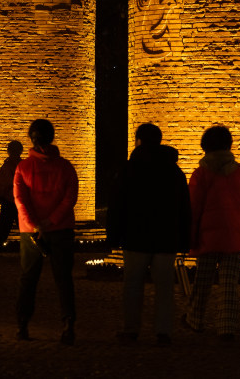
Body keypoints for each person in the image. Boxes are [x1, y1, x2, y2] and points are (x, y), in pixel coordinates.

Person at [106, 123, 190, 346]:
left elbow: (117, 204)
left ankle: (131, 329)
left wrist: (113, 236)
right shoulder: (174, 171)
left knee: (132, 284)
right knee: (164, 287)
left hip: (135, 237)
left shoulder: (128, 169)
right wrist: (184, 239)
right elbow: (184, 206)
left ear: (139, 141)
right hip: (166, 238)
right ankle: (164, 332)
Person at [182, 125, 240, 342]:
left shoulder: (201, 174)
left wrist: (191, 234)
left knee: (202, 282)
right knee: (229, 285)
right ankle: (227, 327)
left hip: (207, 236)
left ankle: (194, 319)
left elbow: (193, 206)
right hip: (234, 236)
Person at [13, 119, 79, 345]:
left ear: (31, 139)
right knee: (63, 279)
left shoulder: (23, 168)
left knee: (28, 278)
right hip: (61, 229)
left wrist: (35, 225)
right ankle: (68, 324)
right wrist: (51, 221)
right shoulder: (66, 167)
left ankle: (22, 324)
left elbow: (20, 200)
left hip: (30, 233)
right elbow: (70, 199)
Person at [0, 140, 23, 252]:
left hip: (9, 199)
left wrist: (0, 195)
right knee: (24, 227)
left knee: (4, 226)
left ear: (9, 151)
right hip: (21, 201)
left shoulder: (7, 166)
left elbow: (4, 183)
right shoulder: (24, 166)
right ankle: (35, 247)